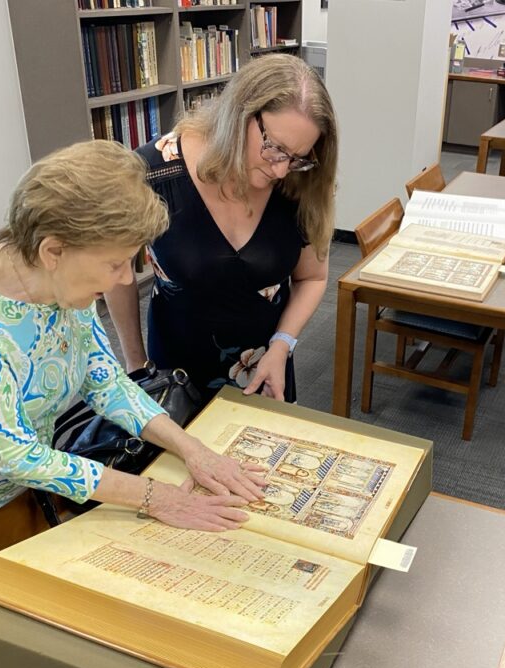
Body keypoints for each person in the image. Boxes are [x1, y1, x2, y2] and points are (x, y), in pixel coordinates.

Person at [0, 140, 266, 573]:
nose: (126, 278)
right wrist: (155, 497)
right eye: (115, 264)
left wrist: (193, 449)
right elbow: (18, 455)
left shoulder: (61, 288)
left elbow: (105, 381)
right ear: (53, 251)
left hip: (13, 490)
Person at [105, 54, 338, 405]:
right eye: (274, 149)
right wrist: (136, 363)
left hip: (263, 370)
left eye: (297, 157)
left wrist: (283, 344)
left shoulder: (300, 183)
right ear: (240, 115)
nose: (280, 170)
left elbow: (313, 278)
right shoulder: (154, 172)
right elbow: (114, 271)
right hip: (174, 373)